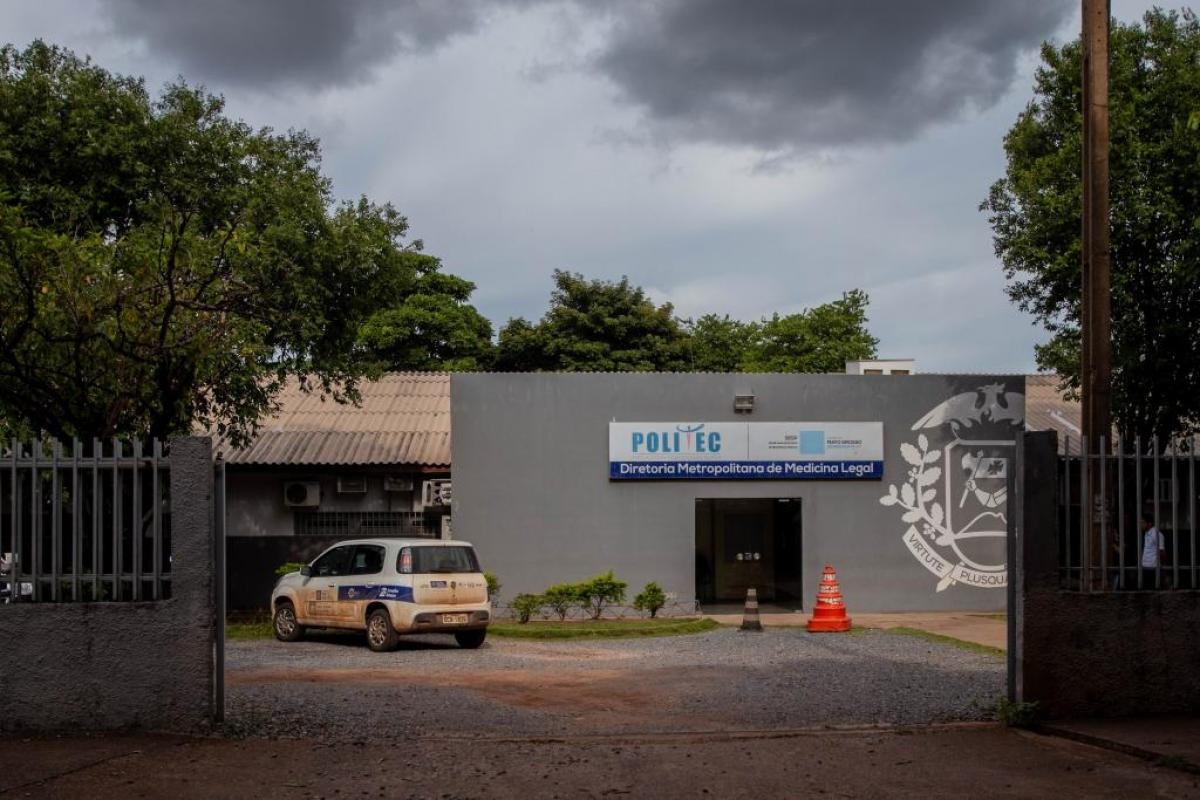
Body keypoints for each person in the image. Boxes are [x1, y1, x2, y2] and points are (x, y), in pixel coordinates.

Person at [1140, 513, 1166, 589]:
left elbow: (1162, 552)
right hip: (1145, 567)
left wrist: (1162, 567)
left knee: (1153, 589)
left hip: (1153, 569)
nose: (1141, 525)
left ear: (1150, 523)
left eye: (1143, 522)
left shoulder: (1157, 534)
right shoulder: (1146, 533)